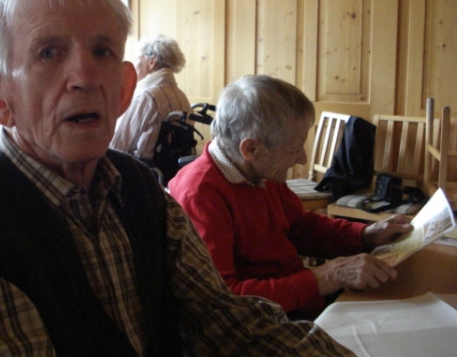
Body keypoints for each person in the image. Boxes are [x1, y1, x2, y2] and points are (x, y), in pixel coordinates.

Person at [0, 0, 354, 356]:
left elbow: (228, 323)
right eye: (49, 52)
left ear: (126, 88)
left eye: (103, 50)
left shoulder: (143, 191)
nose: (85, 76)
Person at [169, 75, 413, 320]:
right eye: (294, 148)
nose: (302, 159)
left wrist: (366, 235)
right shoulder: (201, 193)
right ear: (251, 149)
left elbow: (302, 228)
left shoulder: (258, 171)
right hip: (261, 321)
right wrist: (326, 277)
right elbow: (222, 300)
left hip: (297, 303)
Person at [110, 34, 191, 162]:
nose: (135, 64)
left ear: (152, 62)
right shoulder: (182, 98)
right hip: (172, 171)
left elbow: (116, 147)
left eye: (137, 59)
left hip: (138, 171)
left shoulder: (145, 98)